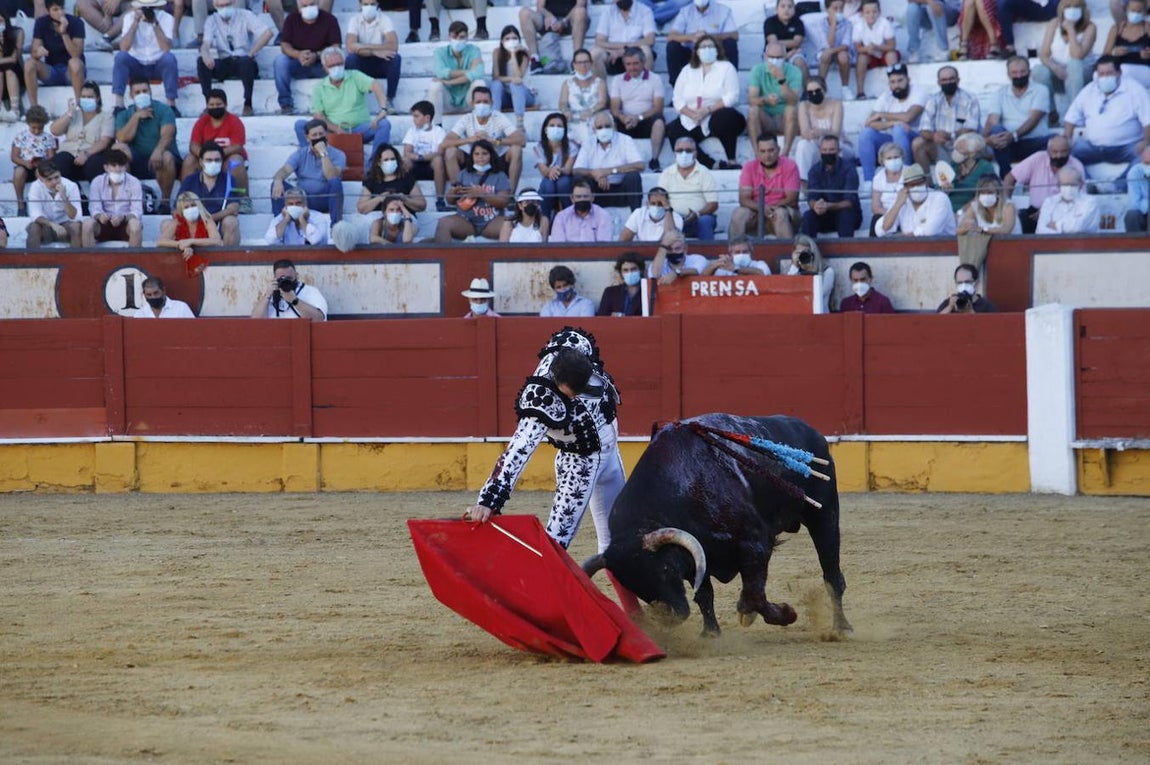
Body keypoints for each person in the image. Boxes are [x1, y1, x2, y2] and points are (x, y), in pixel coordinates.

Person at [464, 328, 626, 561]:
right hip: (579, 463)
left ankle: (626, 599)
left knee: (616, 539)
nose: (575, 397)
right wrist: (488, 502)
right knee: (555, 546)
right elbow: (518, 450)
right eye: (571, 393)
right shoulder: (541, 401)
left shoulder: (575, 344)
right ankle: (530, 592)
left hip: (610, 453)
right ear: (558, 380)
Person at [666, 34, 744, 171]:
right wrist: (691, 114)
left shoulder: (726, 67)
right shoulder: (687, 70)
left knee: (726, 117)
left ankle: (732, 160)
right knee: (673, 130)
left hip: (715, 115)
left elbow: (732, 96)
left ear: (717, 49)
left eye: (710, 46)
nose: (706, 49)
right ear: (696, 51)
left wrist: (707, 110)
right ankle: (711, 164)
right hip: (692, 118)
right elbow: (677, 99)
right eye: (703, 47)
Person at [294, 46, 390, 151]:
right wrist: (338, 130)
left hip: (359, 129)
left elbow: (376, 85)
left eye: (339, 64)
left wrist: (383, 109)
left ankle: (375, 162)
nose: (336, 68)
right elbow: (319, 117)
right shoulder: (319, 87)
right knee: (300, 125)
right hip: (332, 131)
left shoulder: (355, 76)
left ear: (344, 63)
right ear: (325, 67)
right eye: (332, 65)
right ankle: (311, 160)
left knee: (384, 124)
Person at [1063, 57, 1150, 173]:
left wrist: (1145, 142)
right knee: (1061, 154)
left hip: (1126, 147)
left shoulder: (1135, 90)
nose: (1105, 77)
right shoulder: (1089, 90)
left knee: (1147, 156)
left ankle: (1118, 187)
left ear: (1119, 72)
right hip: (1092, 147)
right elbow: (1071, 116)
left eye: (1109, 73)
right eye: (1101, 74)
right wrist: (1067, 139)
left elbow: (1148, 120)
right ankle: (1086, 185)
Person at [441, 86, 525, 194]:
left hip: (495, 159)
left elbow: (521, 140)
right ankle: (459, 194)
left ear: (491, 103)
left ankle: (510, 195)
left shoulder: (498, 117)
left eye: (486, 102)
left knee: (516, 150)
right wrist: (469, 139)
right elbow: (445, 143)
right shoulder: (467, 118)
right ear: (472, 104)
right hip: (474, 160)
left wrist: (495, 141)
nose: (482, 105)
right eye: (478, 102)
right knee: (450, 151)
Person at [114, 78, 178, 215]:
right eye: (137, 92)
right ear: (131, 95)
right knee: (118, 150)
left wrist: (158, 150)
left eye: (145, 91)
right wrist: (136, 117)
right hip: (138, 161)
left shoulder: (164, 110)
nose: (141, 94)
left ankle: (165, 203)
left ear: (150, 92)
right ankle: (129, 201)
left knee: (166, 156)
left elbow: (168, 135)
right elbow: (122, 138)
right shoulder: (124, 115)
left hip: (163, 160)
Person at [198, 0, 272, 117]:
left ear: (233, 3)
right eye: (221, 6)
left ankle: (248, 104)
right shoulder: (211, 20)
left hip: (244, 59)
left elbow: (267, 33)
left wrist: (252, 52)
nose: (224, 8)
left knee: (246, 62)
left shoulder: (245, 15)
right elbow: (206, 43)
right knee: (201, 62)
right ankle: (208, 102)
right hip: (224, 61)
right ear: (215, 6)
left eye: (227, 5)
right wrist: (206, 55)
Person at [983, 56, 1052, 177]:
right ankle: (1006, 174)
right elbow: (993, 121)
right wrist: (988, 139)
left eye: (1023, 71)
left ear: (1029, 72)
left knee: (1055, 140)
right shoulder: (999, 93)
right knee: (997, 131)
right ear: (1008, 75)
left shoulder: (1041, 90)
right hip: (1008, 146)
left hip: (1035, 143)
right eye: (1014, 72)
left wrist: (1013, 136)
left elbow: (1033, 120)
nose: (1019, 75)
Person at [859, 63, 927, 184]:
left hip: (914, 138)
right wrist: (895, 122)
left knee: (899, 129)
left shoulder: (918, 92)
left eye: (900, 80)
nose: (896, 85)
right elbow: (869, 123)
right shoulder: (886, 96)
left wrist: (882, 115)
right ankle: (868, 182)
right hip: (892, 138)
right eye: (893, 82)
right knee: (866, 134)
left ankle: (905, 177)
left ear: (908, 80)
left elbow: (908, 117)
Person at [1003, 134, 1084, 233]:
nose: (1059, 156)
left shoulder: (1077, 166)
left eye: (1063, 151)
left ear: (1069, 151)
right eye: (1055, 152)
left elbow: (1080, 198)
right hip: (1034, 212)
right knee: (1017, 222)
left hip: (1064, 211)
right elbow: (1010, 178)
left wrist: (1047, 210)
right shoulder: (1038, 158)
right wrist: (1006, 205)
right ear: (1048, 151)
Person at [270, 119, 346, 224]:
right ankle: (279, 225)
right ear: (307, 138)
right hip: (302, 200)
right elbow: (285, 170)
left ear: (327, 135)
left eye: (321, 134)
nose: (318, 138)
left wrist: (323, 153)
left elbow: (331, 176)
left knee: (335, 182)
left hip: (324, 199)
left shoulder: (338, 154)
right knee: (277, 184)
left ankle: (335, 225)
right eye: (314, 135)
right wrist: (278, 179)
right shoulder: (301, 153)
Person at [1031, 0, 1097, 119]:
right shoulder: (1054, 23)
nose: (1072, 9)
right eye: (1068, 6)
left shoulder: (1090, 26)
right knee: (1038, 70)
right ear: (1062, 8)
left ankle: (1075, 114)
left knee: (1074, 65)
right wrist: (1055, 68)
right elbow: (1044, 54)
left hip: (1081, 75)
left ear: (1082, 8)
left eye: (1076, 6)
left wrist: (1071, 30)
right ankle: (1051, 112)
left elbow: (1077, 55)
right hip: (1059, 73)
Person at [435, 139, 510, 242]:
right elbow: (450, 201)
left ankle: (502, 257)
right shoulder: (463, 174)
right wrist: (452, 193)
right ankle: (446, 257)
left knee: (509, 224)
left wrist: (482, 194)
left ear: (491, 156)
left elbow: (504, 202)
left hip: (492, 221)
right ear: (472, 156)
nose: (480, 157)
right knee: (443, 223)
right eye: (477, 154)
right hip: (466, 221)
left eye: (484, 154)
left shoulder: (500, 175)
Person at [274, 0, 341, 115]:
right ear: (298, 7)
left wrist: (318, 55)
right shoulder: (291, 19)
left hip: (323, 65)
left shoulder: (329, 19)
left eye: (311, 5)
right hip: (298, 63)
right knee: (280, 61)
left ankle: (337, 102)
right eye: (304, 6)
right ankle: (286, 104)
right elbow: (284, 45)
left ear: (317, 4)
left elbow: (336, 46)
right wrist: (298, 55)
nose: (308, 8)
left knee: (341, 61)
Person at [111, 0, 178, 115]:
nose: (147, 11)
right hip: (136, 64)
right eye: (144, 8)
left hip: (158, 64)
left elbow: (166, 48)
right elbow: (124, 47)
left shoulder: (166, 18)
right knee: (121, 57)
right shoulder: (129, 17)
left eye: (150, 8)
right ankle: (119, 104)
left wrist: (155, 24)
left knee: (169, 59)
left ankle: (171, 104)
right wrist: (135, 23)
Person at [729, 133, 800, 239]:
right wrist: (762, 208)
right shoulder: (749, 167)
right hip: (756, 211)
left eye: (771, 150)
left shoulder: (790, 166)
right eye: (763, 151)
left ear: (778, 150)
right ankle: (734, 252)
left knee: (780, 214)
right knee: (738, 214)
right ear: (757, 152)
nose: (767, 156)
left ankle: (787, 254)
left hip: (783, 209)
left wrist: (770, 208)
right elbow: (744, 199)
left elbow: (792, 198)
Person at [182, 89, 250, 198]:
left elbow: (238, 146)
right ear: (207, 106)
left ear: (226, 105)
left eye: (218, 104)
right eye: (211, 104)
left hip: (227, 158)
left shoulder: (234, 121)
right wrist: (205, 156)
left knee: (235, 161)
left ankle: (243, 198)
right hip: (206, 160)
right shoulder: (201, 122)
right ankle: (186, 198)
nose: (215, 107)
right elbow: (193, 145)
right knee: (189, 160)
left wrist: (218, 155)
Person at [911, 66, 981, 172]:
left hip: (963, 145)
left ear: (958, 80)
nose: (948, 82)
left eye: (951, 79)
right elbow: (924, 130)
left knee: (972, 141)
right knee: (918, 143)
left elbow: (971, 129)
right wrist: (934, 136)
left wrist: (950, 135)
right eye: (944, 80)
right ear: (939, 82)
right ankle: (926, 185)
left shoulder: (970, 99)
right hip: (939, 145)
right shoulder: (933, 100)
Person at [607, 47, 666, 172]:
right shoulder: (617, 80)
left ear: (643, 63)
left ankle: (654, 159)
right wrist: (624, 118)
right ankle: (614, 158)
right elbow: (615, 108)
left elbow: (658, 108)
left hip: (646, 120)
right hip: (626, 121)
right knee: (609, 120)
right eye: (628, 64)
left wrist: (638, 118)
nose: (632, 67)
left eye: (635, 63)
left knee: (659, 121)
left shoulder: (655, 78)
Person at [573, 109, 644, 210]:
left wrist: (608, 171)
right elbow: (576, 170)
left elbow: (640, 165)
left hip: (621, 191)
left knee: (633, 176)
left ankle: (636, 216)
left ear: (614, 126)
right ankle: (583, 216)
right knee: (580, 179)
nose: (604, 130)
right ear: (594, 130)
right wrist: (594, 174)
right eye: (599, 127)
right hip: (596, 192)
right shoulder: (588, 142)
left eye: (607, 126)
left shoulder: (625, 140)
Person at [793, 76, 856, 187]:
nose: (814, 94)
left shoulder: (836, 104)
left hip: (838, 145)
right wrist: (813, 134)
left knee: (832, 146)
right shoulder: (804, 106)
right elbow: (804, 132)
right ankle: (804, 184)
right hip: (817, 146)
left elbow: (836, 132)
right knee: (803, 145)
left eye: (817, 91)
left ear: (824, 90)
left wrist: (821, 132)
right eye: (810, 92)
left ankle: (837, 186)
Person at [23, 0, 84, 112]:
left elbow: (76, 54)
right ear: (48, 11)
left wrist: (64, 33)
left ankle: (78, 105)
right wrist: (38, 52)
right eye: (55, 9)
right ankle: (34, 108)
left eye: (62, 8)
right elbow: (34, 52)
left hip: (71, 73)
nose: (60, 12)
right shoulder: (42, 23)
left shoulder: (76, 22)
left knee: (74, 62)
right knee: (29, 63)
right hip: (52, 70)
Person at [178, 142, 243, 247]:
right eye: (209, 160)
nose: (213, 163)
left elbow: (233, 209)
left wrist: (208, 219)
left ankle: (228, 260)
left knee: (231, 222)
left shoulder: (229, 180)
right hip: (193, 224)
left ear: (222, 161)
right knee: (167, 224)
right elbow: (177, 208)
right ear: (201, 162)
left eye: (217, 160)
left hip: (218, 225)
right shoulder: (190, 180)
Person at [50, 82, 114, 184]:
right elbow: (54, 131)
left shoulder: (106, 117)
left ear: (97, 98)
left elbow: (104, 142)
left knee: (95, 163)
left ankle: (96, 196)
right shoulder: (74, 114)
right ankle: (75, 194)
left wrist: (86, 154)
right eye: (83, 97)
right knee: (60, 161)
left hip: (91, 156)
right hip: (69, 154)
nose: (86, 99)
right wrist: (69, 113)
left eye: (90, 97)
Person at [747, 41, 801, 157]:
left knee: (791, 109)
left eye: (779, 57)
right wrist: (765, 100)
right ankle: (758, 155)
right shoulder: (757, 70)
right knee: (753, 111)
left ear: (785, 56)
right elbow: (751, 99)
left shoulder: (794, 71)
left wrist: (781, 80)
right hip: (766, 119)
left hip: (785, 119)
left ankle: (784, 155)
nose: (775, 60)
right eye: (772, 57)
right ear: (765, 56)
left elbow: (793, 101)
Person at [657, 136, 718, 240]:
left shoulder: (704, 173)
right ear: (674, 152)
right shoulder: (666, 173)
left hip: (699, 218)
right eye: (679, 150)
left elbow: (713, 204)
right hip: (674, 218)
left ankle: (708, 254)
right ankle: (666, 254)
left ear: (696, 153)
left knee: (705, 221)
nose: (684, 154)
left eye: (688, 150)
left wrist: (697, 214)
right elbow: (660, 200)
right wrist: (671, 215)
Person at [801, 134, 862, 238]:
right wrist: (816, 205)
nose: (827, 153)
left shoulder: (849, 169)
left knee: (845, 215)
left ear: (839, 151)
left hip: (846, 214)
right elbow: (812, 198)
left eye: (831, 149)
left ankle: (847, 252)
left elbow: (850, 201)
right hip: (823, 214)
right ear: (820, 151)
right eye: (824, 150)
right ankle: (807, 251)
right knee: (808, 216)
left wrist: (829, 206)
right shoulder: (814, 170)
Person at [665, 0, 738, 86]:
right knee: (672, 46)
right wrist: (692, 37)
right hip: (691, 53)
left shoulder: (723, 11)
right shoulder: (685, 11)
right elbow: (671, 36)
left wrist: (708, 37)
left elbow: (734, 35)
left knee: (731, 43)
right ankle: (676, 86)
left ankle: (731, 83)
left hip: (715, 52)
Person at [875, 162, 957, 237]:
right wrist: (897, 204)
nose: (916, 187)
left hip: (942, 248)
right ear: (906, 187)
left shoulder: (940, 198)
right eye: (912, 185)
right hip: (912, 249)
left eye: (919, 183)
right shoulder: (902, 200)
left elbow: (930, 231)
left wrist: (904, 237)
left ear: (925, 182)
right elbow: (882, 229)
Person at [428, 21, 487, 124]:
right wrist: (469, 72)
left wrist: (450, 82)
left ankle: (481, 124)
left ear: (467, 37)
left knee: (479, 83)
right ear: (449, 37)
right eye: (454, 37)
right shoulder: (440, 52)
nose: (458, 40)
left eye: (461, 37)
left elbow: (479, 73)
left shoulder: (474, 50)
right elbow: (440, 72)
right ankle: (437, 126)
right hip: (447, 101)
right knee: (435, 85)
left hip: (469, 100)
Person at [82, 149, 144, 247]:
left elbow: (137, 211)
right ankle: (90, 260)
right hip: (104, 223)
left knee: (135, 225)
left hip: (125, 224)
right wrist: (100, 216)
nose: (118, 169)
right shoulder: (97, 181)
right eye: (114, 165)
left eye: (121, 165)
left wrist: (123, 217)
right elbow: (94, 207)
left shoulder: (134, 182)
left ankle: (133, 260)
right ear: (106, 167)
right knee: (87, 224)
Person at [345, 0, 401, 106]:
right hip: (362, 62)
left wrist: (362, 46)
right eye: (366, 4)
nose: (369, 7)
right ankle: (354, 99)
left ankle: (389, 99)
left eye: (372, 4)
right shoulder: (354, 20)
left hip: (379, 63)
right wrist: (374, 52)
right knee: (351, 59)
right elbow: (350, 47)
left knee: (395, 58)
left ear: (377, 4)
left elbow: (393, 46)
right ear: (360, 4)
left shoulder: (385, 19)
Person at [156, 191, 220, 276]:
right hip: (181, 264)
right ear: (181, 211)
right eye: (186, 207)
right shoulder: (177, 222)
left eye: (193, 205)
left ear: (199, 206)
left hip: (207, 264)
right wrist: (180, 244)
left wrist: (191, 241)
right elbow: (160, 242)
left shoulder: (207, 220)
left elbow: (217, 241)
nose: (190, 209)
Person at [360, 142, 427, 223]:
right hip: (379, 219)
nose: (390, 162)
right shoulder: (372, 180)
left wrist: (405, 199)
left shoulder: (407, 178)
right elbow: (361, 208)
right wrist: (379, 198)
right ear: (378, 162)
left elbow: (422, 205)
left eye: (392, 159)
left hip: (404, 217)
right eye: (386, 160)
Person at [591, 0, 655, 81]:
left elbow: (650, 40)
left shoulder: (644, 11)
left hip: (636, 52)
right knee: (594, 55)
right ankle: (603, 91)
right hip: (612, 55)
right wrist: (615, 50)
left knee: (646, 51)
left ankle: (645, 89)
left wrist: (625, 49)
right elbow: (599, 41)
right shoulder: (608, 12)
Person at [402, 100, 449, 211]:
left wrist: (421, 157)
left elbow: (439, 152)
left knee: (438, 160)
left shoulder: (439, 131)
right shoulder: (411, 131)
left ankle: (440, 199)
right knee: (404, 161)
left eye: (417, 116)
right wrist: (418, 157)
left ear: (427, 118)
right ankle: (404, 197)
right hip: (416, 164)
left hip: (432, 167)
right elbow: (407, 152)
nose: (414, 119)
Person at [25, 159, 81, 248]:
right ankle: (32, 260)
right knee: (34, 228)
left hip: (66, 225)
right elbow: (35, 215)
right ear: (41, 179)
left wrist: (64, 197)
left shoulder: (71, 186)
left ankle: (76, 260)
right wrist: (52, 224)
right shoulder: (35, 187)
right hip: (46, 226)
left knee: (76, 227)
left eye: (56, 177)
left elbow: (75, 216)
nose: (54, 182)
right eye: (49, 179)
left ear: (60, 174)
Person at [520, 0, 588, 73]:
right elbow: (540, 7)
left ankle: (577, 59)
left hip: (570, 20)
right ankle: (535, 59)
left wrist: (564, 21)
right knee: (524, 13)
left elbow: (581, 4)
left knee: (580, 12)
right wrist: (549, 15)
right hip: (549, 21)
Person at [12, 106, 57, 217]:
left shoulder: (48, 137)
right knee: (18, 173)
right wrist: (25, 163)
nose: (36, 131)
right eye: (33, 128)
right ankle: (20, 204)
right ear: (28, 124)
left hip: (41, 167)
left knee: (41, 173)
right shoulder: (21, 136)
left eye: (40, 128)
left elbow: (51, 157)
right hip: (24, 166)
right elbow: (14, 157)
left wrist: (42, 163)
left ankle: (42, 204)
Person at [251, 258, 328, 321]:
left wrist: (295, 301)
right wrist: (267, 296)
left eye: (289, 278)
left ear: (296, 276)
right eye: (282, 278)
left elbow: (319, 319)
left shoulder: (310, 292)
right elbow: (256, 322)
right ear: (275, 279)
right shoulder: (271, 294)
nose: (286, 281)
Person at [937, 132, 997, 213]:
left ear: (972, 154)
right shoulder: (953, 164)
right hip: (945, 209)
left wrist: (961, 212)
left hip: (970, 211)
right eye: (955, 149)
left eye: (959, 150)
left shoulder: (985, 167)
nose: (955, 152)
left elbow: (983, 196)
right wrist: (944, 189)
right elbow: (937, 190)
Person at [802, 0, 854, 95]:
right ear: (827, 10)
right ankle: (820, 87)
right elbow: (827, 44)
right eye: (835, 8)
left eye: (841, 8)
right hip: (825, 52)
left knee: (843, 56)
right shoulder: (820, 24)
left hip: (840, 51)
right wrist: (833, 25)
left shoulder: (847, 24)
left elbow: (846, 45)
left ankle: (845, 88)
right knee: (826, 56)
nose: (838, 11)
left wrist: (832, 51)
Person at [490, 26, 536, 130]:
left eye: (514, 38)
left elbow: (518, 77)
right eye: (507, 39)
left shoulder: (524, 54)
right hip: (506, 96)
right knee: (496, 85)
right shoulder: (497, 52)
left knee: (515, 84)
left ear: (519, 40)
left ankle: (520, 123)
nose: (511, 41)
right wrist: (511, 79)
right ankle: (494, 121)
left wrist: (513, 54)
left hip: (524, 95)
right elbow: (496, 77)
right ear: (502, 41)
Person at [852, 0, 899, 100]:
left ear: (879, 12)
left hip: (884, 53)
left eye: (874, 11)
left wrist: (877, 47)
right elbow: (857, 47)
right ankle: (860, 92)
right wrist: (866, 49)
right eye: (867, 12)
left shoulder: (885, 23)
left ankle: (895, 87)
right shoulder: (858, 26)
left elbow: (892, 45)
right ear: (862, 13)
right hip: (870, 54)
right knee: (861, 58)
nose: (871, 15)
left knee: (891, 55)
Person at [534, 112, 579, 213]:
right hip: (548, 178)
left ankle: (569, 214)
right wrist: (550, 171)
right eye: (552, 125)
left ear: (564, 130)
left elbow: (567, 169)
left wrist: (556, 169)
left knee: (563, 183)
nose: (556, 128)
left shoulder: (572, 146)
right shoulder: (539, 147)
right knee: (548, 185)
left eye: (559, 126)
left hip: (565, 178)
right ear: (546, 129)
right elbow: (543, 170)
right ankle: (545, 217)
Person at [1036, 165, 1101, 233]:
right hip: (1054, 243)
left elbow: (1078, 227)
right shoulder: (1049, 202)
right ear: (1058, 185)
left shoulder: (1090, 202)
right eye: (1065, 185)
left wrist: (1056, 225)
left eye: (1073, 185)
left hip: (1084, 243)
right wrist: (1066, 229)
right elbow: (1041, 230)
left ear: (1081, 184)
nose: (1069, 188)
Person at [1102, 0, 1150, 90]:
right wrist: (1114, 52)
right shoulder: (1117, 28)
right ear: (1126, 9)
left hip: (1143, 68)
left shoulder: (1148, 28)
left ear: (1144, 12)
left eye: (1139, 11)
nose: (1136, 14)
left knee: (1125, 71)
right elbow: (1105, 55)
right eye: (1133, 10)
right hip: (1120, 67)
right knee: (1101, 74)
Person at [549, 178, 614, 242]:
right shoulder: (561, 217)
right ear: (572, 198)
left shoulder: (603, 216)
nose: (582, 199)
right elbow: (559, 246)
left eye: (585, 196)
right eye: (578, 197)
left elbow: (604, 247)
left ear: (592, 197)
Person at [265, 187, 331, 245]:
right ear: (285, 206)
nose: (294, 206)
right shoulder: (280, 219)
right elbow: (271, 240)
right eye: (290, 204)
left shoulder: (318, 217)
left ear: (305, 204)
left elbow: (315, 240)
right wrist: (285, 220)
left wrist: (302, 220)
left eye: (298, 203)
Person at [785, 234, 835, 311]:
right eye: (798, 253)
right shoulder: (792, 271)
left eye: (805, 253)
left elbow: (818, 296)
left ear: (813, 254)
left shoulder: (827, 272)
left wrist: (810, 270)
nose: (802, 255)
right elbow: (787, 292)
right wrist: (794, 266)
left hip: (821, 315)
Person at [869, 141, 906, 235]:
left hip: (907, 214)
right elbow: (875, 207)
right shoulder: (878, 178)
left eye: (896, 157)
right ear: (882, 161)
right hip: (886, 214)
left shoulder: (911, 173)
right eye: (889, 158)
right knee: (876, 219)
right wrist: (892, 214)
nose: (893, 160)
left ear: (902, 157)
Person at [764, 0, 807, 73]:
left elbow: (797, 42)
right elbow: (773, 43)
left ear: (794, 9)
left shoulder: (798, 22)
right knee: (774, 64)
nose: (786, 9)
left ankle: (806, 84)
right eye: (783, 6)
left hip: (794, 53)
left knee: (800, 63)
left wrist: (779, 42)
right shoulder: (770, 22)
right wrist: (785, 55)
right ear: (776, 9)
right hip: (772, 54)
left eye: (790, 6)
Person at [597, 252, 645, 316]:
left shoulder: (648, 292)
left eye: (633, 269)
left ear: (641, 270)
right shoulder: (610, 292)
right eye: (625, 270)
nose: (629, 273)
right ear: (621, 273)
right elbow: (601, 317)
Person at [702, 235, 771, 275]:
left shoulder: (759, 264)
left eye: (745, 252)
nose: (741, 254)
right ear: (731, 253)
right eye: (737, 252)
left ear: (751, 252)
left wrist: (735, 268)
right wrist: (715, 266)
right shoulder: (725, 267)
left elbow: (763, 273)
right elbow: (701, 279)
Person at [1123, 143, 1150, 231]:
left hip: (1144, 207)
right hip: (1143, 212)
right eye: (1146, 163)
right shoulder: (1135, 172)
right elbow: (1134, 203)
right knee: (1132, 215)